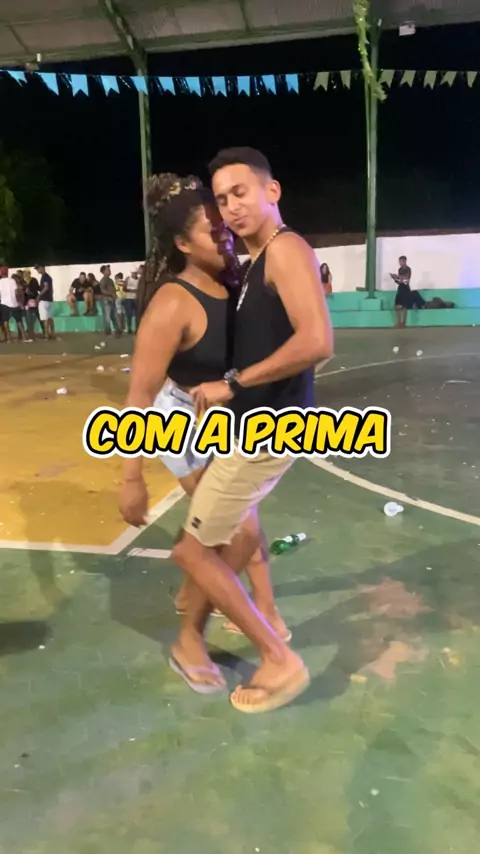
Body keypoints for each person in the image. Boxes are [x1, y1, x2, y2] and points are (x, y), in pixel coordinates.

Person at [167, 147, 333, 714]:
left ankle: (278, 659)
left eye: (240, 192)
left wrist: (233, 383)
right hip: (253, 430)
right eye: (221, 199)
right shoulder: (255, 263)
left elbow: (318, 341)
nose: (231, 206)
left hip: (268, 432)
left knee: (193, 552)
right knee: (221, 542)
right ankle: (219, 633)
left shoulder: (286, 250)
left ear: (272, 190)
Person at [120, 173, 290, 662]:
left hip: (223, 414)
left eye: (225, 227)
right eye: (212, 232)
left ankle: (202, 593)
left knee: (228, 518)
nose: (225, 236)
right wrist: (131, 478)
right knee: (240, 524)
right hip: (179, 420)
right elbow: (139, 395)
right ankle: (258, 624)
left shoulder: (237, 280)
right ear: (182, 244)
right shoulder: (172, 303)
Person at [391, 255, 425, 328]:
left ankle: (403, 323)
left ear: (405, 261)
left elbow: (406, 280)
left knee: (404, 307)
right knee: (397, 306)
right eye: (399, 261)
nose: (400, 263)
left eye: (401, 261)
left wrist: (398, 277)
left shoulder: (408, 269)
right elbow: (400, 281)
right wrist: (395, 279)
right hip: (400, 288)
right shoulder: (400, 269)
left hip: (405, 289)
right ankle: (398, 322)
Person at [0, 266, 27, 342]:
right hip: (14, 303)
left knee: (5, 321)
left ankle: (9, 339)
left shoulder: (0, 282)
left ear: (1, 273)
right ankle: (24, 338)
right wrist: (19, 301)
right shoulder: (12, 281)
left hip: (4, 303)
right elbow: (16, 292)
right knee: (19, 320)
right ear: (7, 272)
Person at [35, 265, 55, 339]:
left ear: (42, 268)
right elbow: (51, 289)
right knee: (49, 318)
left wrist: (39, 296)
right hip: (49, 299)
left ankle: (46, 335)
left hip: (44, 300)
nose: (37, 270)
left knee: (45, 318)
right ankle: (52, 333)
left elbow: (46, 287)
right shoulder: (48, 277)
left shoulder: (45, 277)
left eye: (38, 268)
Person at [99, 264, 120, 335]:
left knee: (114, 316)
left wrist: (114, 294)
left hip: (111, 300)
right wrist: (111, 294)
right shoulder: (103, 280)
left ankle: (117, 330)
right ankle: (108, 331)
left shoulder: (110, 280)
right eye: (108, 269)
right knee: (107, 317)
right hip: (106, 300)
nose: (109, 270)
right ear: (104, 271)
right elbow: (102, 290)